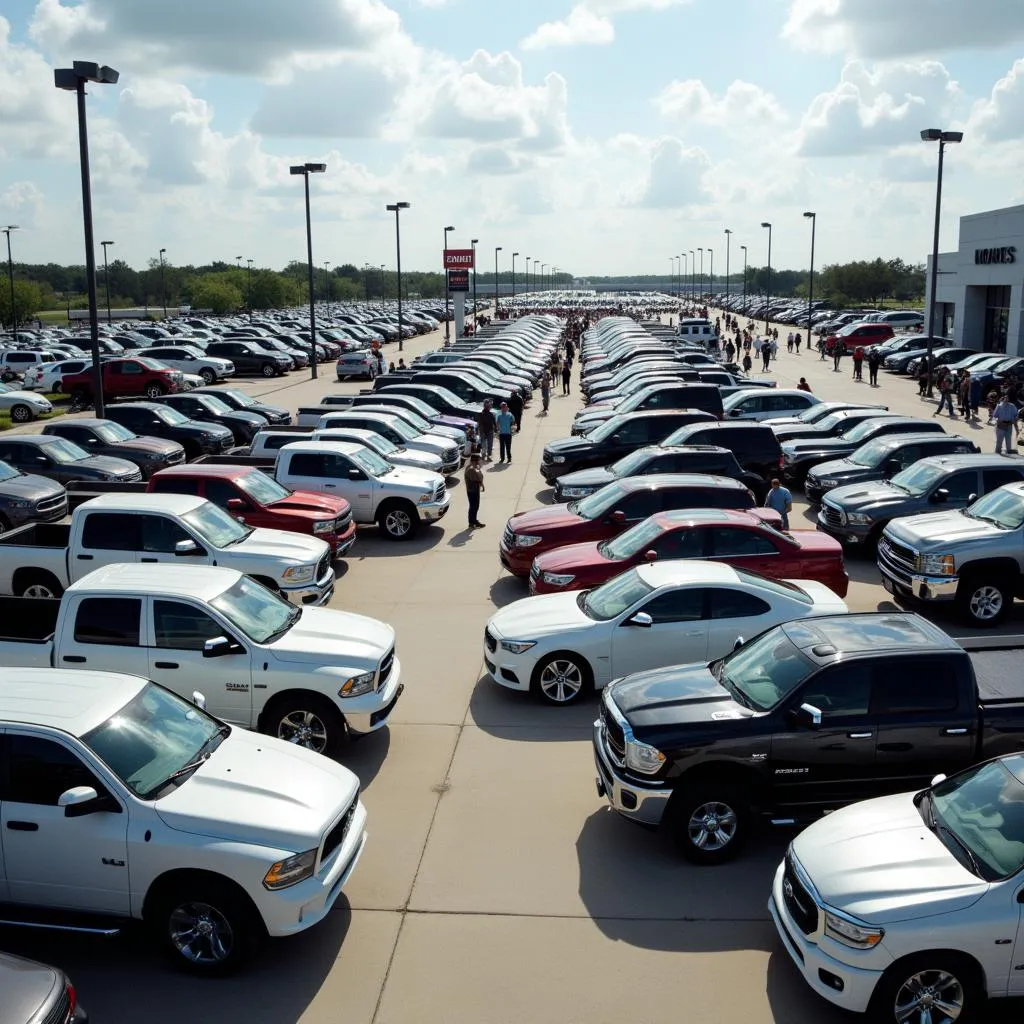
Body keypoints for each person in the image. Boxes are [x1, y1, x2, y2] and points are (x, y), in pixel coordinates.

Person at [464, 453, 485, 528]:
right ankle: (472, 522)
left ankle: (473, 520)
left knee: (475, 506)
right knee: (474, 506)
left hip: (474, 489)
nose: (479, 462)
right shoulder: (471, 469)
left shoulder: (473, 467)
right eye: (478, 461)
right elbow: (479, 478)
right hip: (472, 490)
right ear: (474, 461)